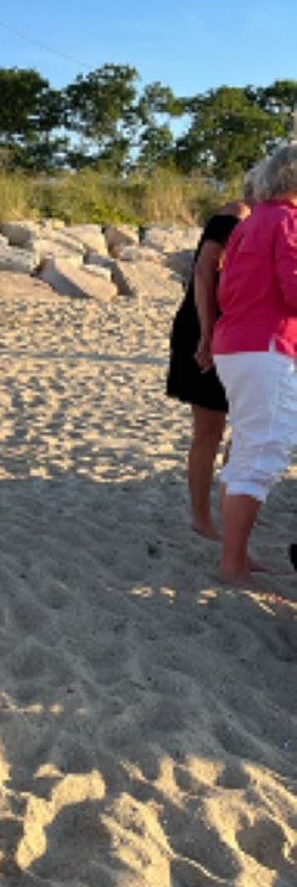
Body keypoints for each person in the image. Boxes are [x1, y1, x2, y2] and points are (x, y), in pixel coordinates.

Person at [212, 143, 297, 583]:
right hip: (266, 345)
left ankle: (236, 557)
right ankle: (232, 563)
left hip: (235, 343)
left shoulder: (251, 223)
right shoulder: (286, 221)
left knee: (247, 449)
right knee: (263, 452)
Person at [166, 172, 257, 537]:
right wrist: (208, 333)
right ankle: (202, 516)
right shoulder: (236, 214)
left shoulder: (263, 222)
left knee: (245, 428)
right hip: (206, 328)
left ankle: (230, 507)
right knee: (209, 430)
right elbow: (205, 270)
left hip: (236, 332)